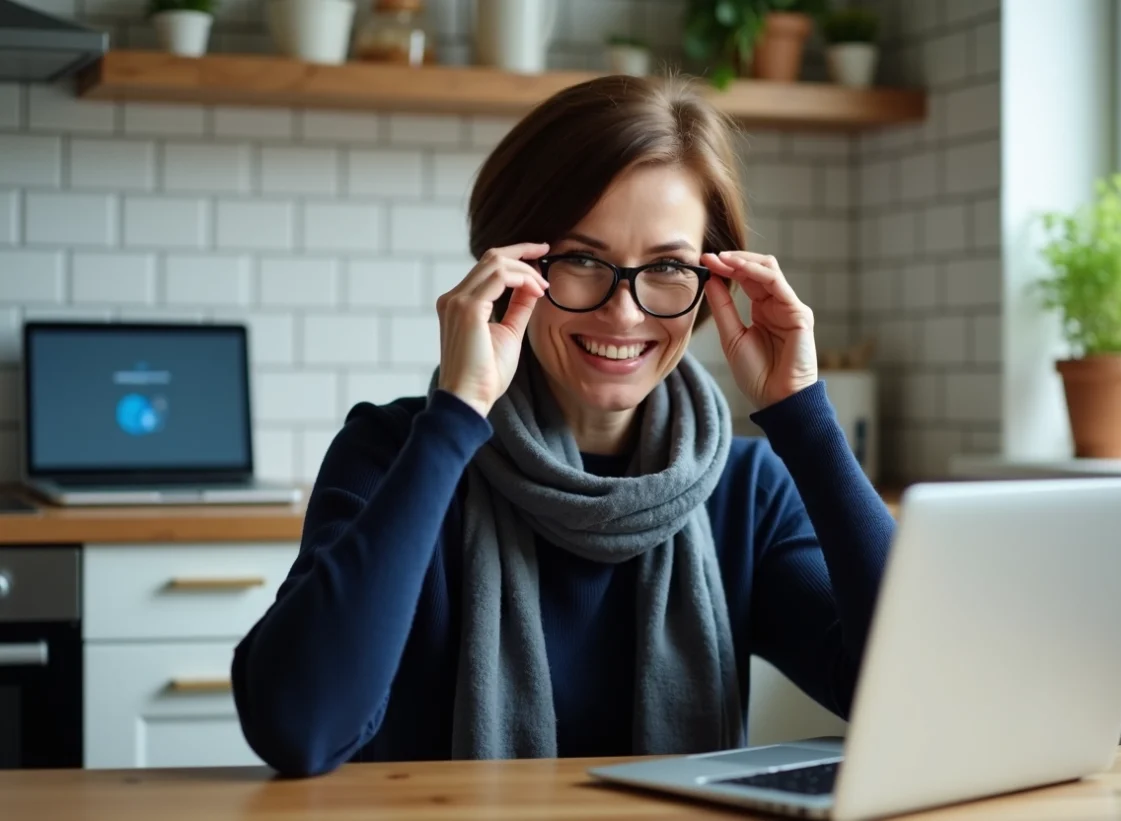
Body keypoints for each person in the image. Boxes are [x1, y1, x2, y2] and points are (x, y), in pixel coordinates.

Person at [231, 74, 895, 776]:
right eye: (582, 260)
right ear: (510, 263)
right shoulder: (394, 454)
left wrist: (806, 419)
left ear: (714, 288)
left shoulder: (749, 491)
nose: (626, 313)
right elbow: (299, 727)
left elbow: (904, 689)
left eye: (668, 266)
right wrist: (455, 417)